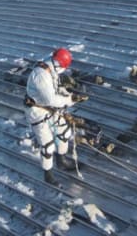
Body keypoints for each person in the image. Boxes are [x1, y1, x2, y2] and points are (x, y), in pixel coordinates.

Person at [25, 47, 86, 184]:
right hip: (37, 111)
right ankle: (48, 174)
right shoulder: (41, 75)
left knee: (64, 132)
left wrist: (70, 94)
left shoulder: (51, 68)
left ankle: (61, 161)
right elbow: (50, 100)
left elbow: (56, 88)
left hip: (50, 109)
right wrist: (71, 100)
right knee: (47, 145)